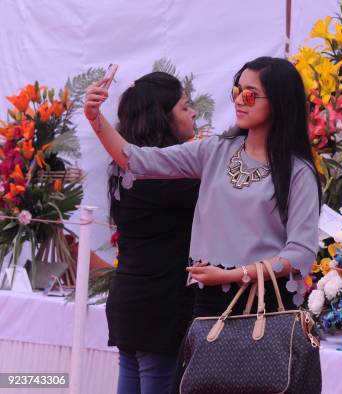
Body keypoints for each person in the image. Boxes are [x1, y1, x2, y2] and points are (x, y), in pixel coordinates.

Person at [85, 56, 321, 388]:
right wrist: (95, 119)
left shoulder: (298, 172)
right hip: (209, 300)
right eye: (237, 91)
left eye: (251, 94)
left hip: (267, 304)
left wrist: (233, 274)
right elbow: (136, 159)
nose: (239, 100)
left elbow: (299, 253)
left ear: (280, 102)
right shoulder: (216, 151)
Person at [92, 71, 201, 394]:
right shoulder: (167, 176)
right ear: (162, 119)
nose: (193, 112)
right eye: (185, 107)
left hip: (132, 299)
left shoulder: (125, 171)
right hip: (160, 306)